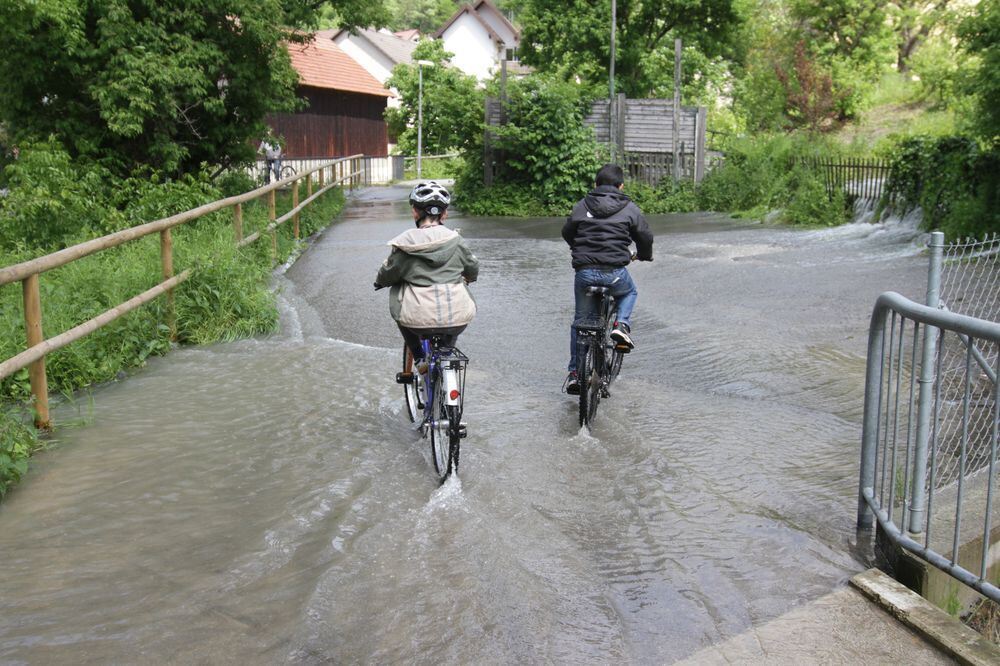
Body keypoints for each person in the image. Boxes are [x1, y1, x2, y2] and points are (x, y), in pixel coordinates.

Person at [562, 163, 653, 394]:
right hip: (614, 273)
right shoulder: (629, 207)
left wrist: (579, 248)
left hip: (584, 273)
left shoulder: (582, 205)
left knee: (580, 321)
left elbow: (567, 231)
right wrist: (643, 255)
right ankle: (621, 324)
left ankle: (574, 374)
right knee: (630, 292)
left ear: (596, 184)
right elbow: (644, 235)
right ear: (621, 186)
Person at [374, 181, 479, 363]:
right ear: (444, 214)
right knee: (458, 304)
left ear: (415, 211)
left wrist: (380, 281)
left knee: (399, 297)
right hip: (458, 318)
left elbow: (390, 272)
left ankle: (419, 358)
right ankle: (446, 352)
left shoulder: (405, 244)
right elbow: (472, 267)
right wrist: (470, 277)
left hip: (416, 320)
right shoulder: (457, 240)